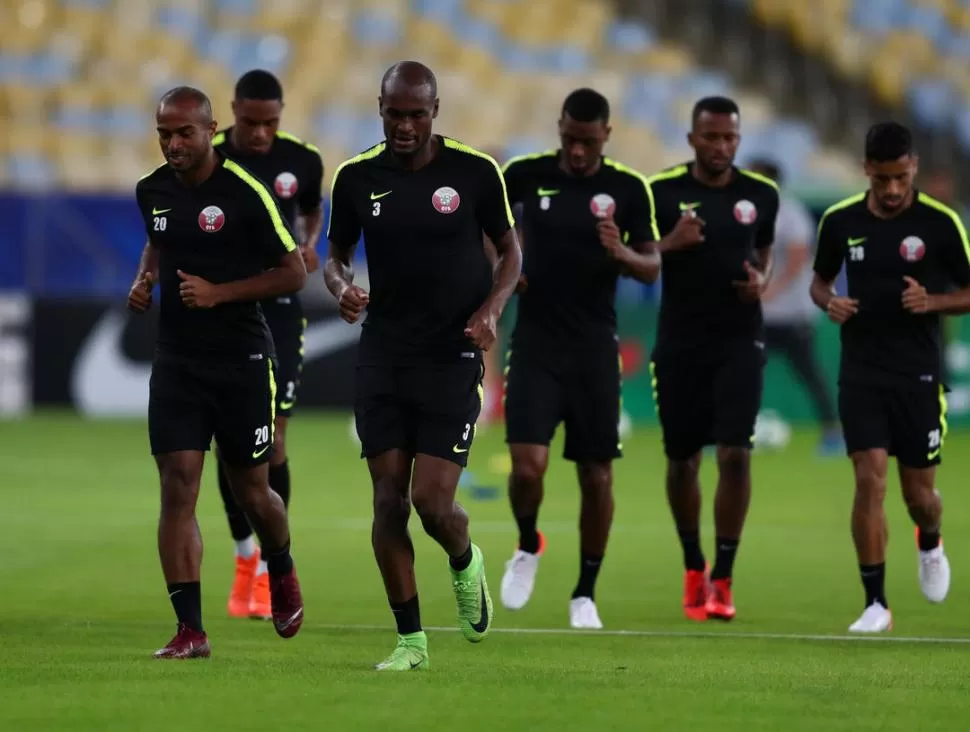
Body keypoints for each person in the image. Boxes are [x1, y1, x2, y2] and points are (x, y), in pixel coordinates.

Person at [323, 61, 522, 670]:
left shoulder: (475, 172)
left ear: (435, 111)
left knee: (433, 504)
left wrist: (491, 308)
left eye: (415, 114)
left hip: (452, 353)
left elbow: (511, 252)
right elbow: (334, 255)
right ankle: (411, 640)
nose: (404, 125)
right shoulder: (356, 177)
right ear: (378, 108)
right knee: (389, 502)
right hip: (384, 355)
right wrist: (340, 287)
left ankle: (465, 561)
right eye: (393, 113)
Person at [128, 86, 306, 658]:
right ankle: (191, 630)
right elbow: (159, 240)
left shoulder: (246, 192)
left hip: (242, 361)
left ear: (211, 130)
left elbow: (294, 272)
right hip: (177, 361)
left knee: (253, 491)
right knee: (177, 487)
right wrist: (146, 278)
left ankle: (279, 567)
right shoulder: (150, 190)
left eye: (184, 133)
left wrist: (219, 294)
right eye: (164, 134)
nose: (174, 144)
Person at [497, 88, 659, 629]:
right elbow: (485, 231)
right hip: (536, 343)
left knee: (596, 475)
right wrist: (504, 269)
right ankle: (526, 544)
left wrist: (622, 253)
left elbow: (651, 266)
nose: (578, 151)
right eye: (570, 138)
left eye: (588, 142)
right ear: (559, 127)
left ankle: (585, 590)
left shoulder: (629, 189)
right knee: (528, 465)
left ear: (606, 137)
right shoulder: (522, 174)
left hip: (594, 349)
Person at [810, 122, 966, 633]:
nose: (893, 189)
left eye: (901, 177)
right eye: (882, 180)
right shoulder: (838, 221)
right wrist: (829, 302)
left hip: (918, 373)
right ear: (866, 172)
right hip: (861, 372)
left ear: (913, 167)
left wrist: (934, 302)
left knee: (919, 497)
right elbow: (819, 282)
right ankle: (875, 602)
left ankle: (930, 539)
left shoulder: (941, 223)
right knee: (868, 479)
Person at [645, 96, 779, 623]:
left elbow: (764, 252)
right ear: (692, 139)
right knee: (682, 461)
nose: (722, 146)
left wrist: (761, 281)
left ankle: (722, 577)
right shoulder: (662, 192)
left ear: (738, 141)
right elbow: (634, 257)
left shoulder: (760, 195)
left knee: (735, 455)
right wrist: (669, 243)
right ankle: (692, 564)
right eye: (712, 137)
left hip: (740, 340)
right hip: (679, 343)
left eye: (730, 138)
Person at [209, 69, 325, 621]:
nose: (259, 134)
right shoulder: (205, 155)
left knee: (273, 441)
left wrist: (308, 244)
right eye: (250, 122)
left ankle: (265, 570)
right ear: (233, 111)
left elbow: (310, 211)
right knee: (224, 444)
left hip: (278, 312)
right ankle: (243, 556)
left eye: (270, 123)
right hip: (223, 310)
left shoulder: (302, 161)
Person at [746, 157, 842, 454]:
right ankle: (727, 432)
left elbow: (799, 257)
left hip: (792, 313)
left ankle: (833, 435)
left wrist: (771, 288)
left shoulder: (790, 214)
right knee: (741, 372)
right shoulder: (747, 215)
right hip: (760, 312)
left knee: (810, 374)